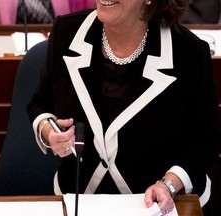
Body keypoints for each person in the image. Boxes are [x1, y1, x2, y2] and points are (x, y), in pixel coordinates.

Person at [27, 0, 220, 215]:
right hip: (79, 203)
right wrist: (48, 130)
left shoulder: (189, 51)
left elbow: (207, 139)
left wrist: (170, 184)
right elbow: (40, 102)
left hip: (157, 207)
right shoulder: (67, 32)